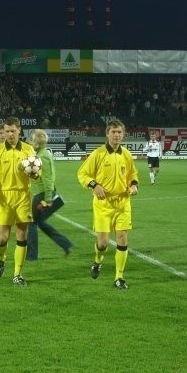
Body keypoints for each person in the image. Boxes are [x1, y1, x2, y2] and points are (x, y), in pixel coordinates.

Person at [77, 119, 139, 289]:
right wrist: (94, 185)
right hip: (103, 204)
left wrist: (134, 185)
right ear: (107, 134)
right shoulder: (98, 154)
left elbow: (133, 173)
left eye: (119, 132)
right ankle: (98, 261)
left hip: (122, 203)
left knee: (122, 237)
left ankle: (119, 277)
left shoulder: (126, 154)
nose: (117, 135)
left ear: (123, 134)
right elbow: (83, 174)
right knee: (103, 243)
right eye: (113, 132)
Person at [0, 116, 36, 286]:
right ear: (3, 132)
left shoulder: (29, 150)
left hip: (23, 196)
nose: (10, 134)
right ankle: (2, 257)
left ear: (19, 131)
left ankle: (17, 274)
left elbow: (36, 173)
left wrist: (35, 174)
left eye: (13, 131)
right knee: (2, 239)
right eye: (7, 131)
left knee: (21, 233)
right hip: (3, 197)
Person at [26, 129, 73, 260]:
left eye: (32, 140)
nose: (30, 142)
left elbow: (47, 178)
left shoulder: (42, 157)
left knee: (32, 223)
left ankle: (31, 256)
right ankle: (65, 244)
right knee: (40, 222)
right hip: (44, 193)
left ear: (36, 141)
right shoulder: (43, 153)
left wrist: (48, 198)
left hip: (42, 195)